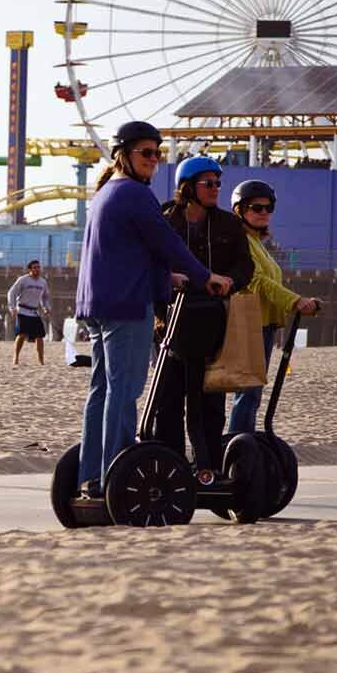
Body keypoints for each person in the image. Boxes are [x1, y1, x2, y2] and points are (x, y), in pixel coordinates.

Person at [75, 122, 232, 497]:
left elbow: (126, 253)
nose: (153, 160)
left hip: (97, 303)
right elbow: (167, 243)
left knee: (101, 390)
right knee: (123, 392)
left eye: (157, 153)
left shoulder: (104, 194)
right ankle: (114, 475)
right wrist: (203, 275)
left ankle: (91, 474)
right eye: (145, 152)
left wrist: (168, 280)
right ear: (122, 155)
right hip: (126, 307)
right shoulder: (134, 194)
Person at [151, 155, 255, 470]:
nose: (215, 189)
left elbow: (245, 265)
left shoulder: (228, 224)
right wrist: (162, 304)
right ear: (188, 187)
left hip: (214, 325)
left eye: (218, 183)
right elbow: (151, 264)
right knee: (168, 401)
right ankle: (171, 465)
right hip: (171, 324)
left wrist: (231, 282)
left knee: (210, 401)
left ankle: (208, 464)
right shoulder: (165, 221)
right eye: (208, 183)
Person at [226, 180, 322, 434]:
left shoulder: (258, 243)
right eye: (256, 208)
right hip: (250, 323)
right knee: (247, 393)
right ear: (240, 210)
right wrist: (295, 301)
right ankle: (238, 445)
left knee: (253, 393)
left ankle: (244, 441)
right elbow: (257, 282)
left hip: (264, 324)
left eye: (268, 208)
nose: (264, 213)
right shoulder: (243, 242)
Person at [7, 259, 51, 365]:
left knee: (40, 336)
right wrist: (12, 308)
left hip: (34, 312)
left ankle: (41, 361)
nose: (37, 269)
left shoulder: (43, 282)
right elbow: (11, 293)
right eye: (35, 267)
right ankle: (16, 357)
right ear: (30, 269)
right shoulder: (23, 280)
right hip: (22, 311)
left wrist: (46, 307)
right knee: (21, 334)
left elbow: (45, 297)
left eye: (38, 267)